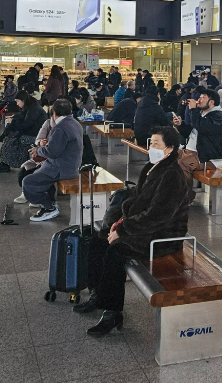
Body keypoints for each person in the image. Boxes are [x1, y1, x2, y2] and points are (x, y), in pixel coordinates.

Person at [73, 127, 191, 336]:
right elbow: (137, 201)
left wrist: (123, 230)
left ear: (169, 149)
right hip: (143, 228)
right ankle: (96, 294)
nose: (151, 147)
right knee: (97, 241)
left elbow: (158, 216)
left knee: (115, 253)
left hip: (163, 236)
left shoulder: (172, 175)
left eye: (157, 144)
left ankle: (112, 312)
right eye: (151, 142)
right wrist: (119, 224)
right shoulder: (151, 168)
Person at [22, 99, 83, 222]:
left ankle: (49, 207)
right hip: (71, 165)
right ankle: (49, 203)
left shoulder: (60, 128)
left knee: (28, 182)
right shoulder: (75, 123)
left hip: (60, 168)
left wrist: (37, 150)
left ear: (54, 113)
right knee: (36, 175)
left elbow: (52, 152)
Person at [0, 90, 47, 172]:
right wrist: (14, 119)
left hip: (35, 136)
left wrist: (13, 121)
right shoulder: (30, 106)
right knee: (9, 138)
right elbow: (22, 118)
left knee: (11, 140)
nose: (17, 104)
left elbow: (26, 125)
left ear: (23, 100)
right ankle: (5, 162)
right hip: (32, 133)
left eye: (18, 101)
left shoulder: (34, 109)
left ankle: (6, 163)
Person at [181, 89, 222, 163]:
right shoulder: (200, 114)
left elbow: (202, 127)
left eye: (203, 97)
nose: (199, 99)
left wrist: (193, 110)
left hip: (206, 157)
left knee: (180, 166)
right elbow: (188, 132)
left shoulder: (218, 116)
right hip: (190, 151)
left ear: (211, 102)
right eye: (199, 97)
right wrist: (180, 124)